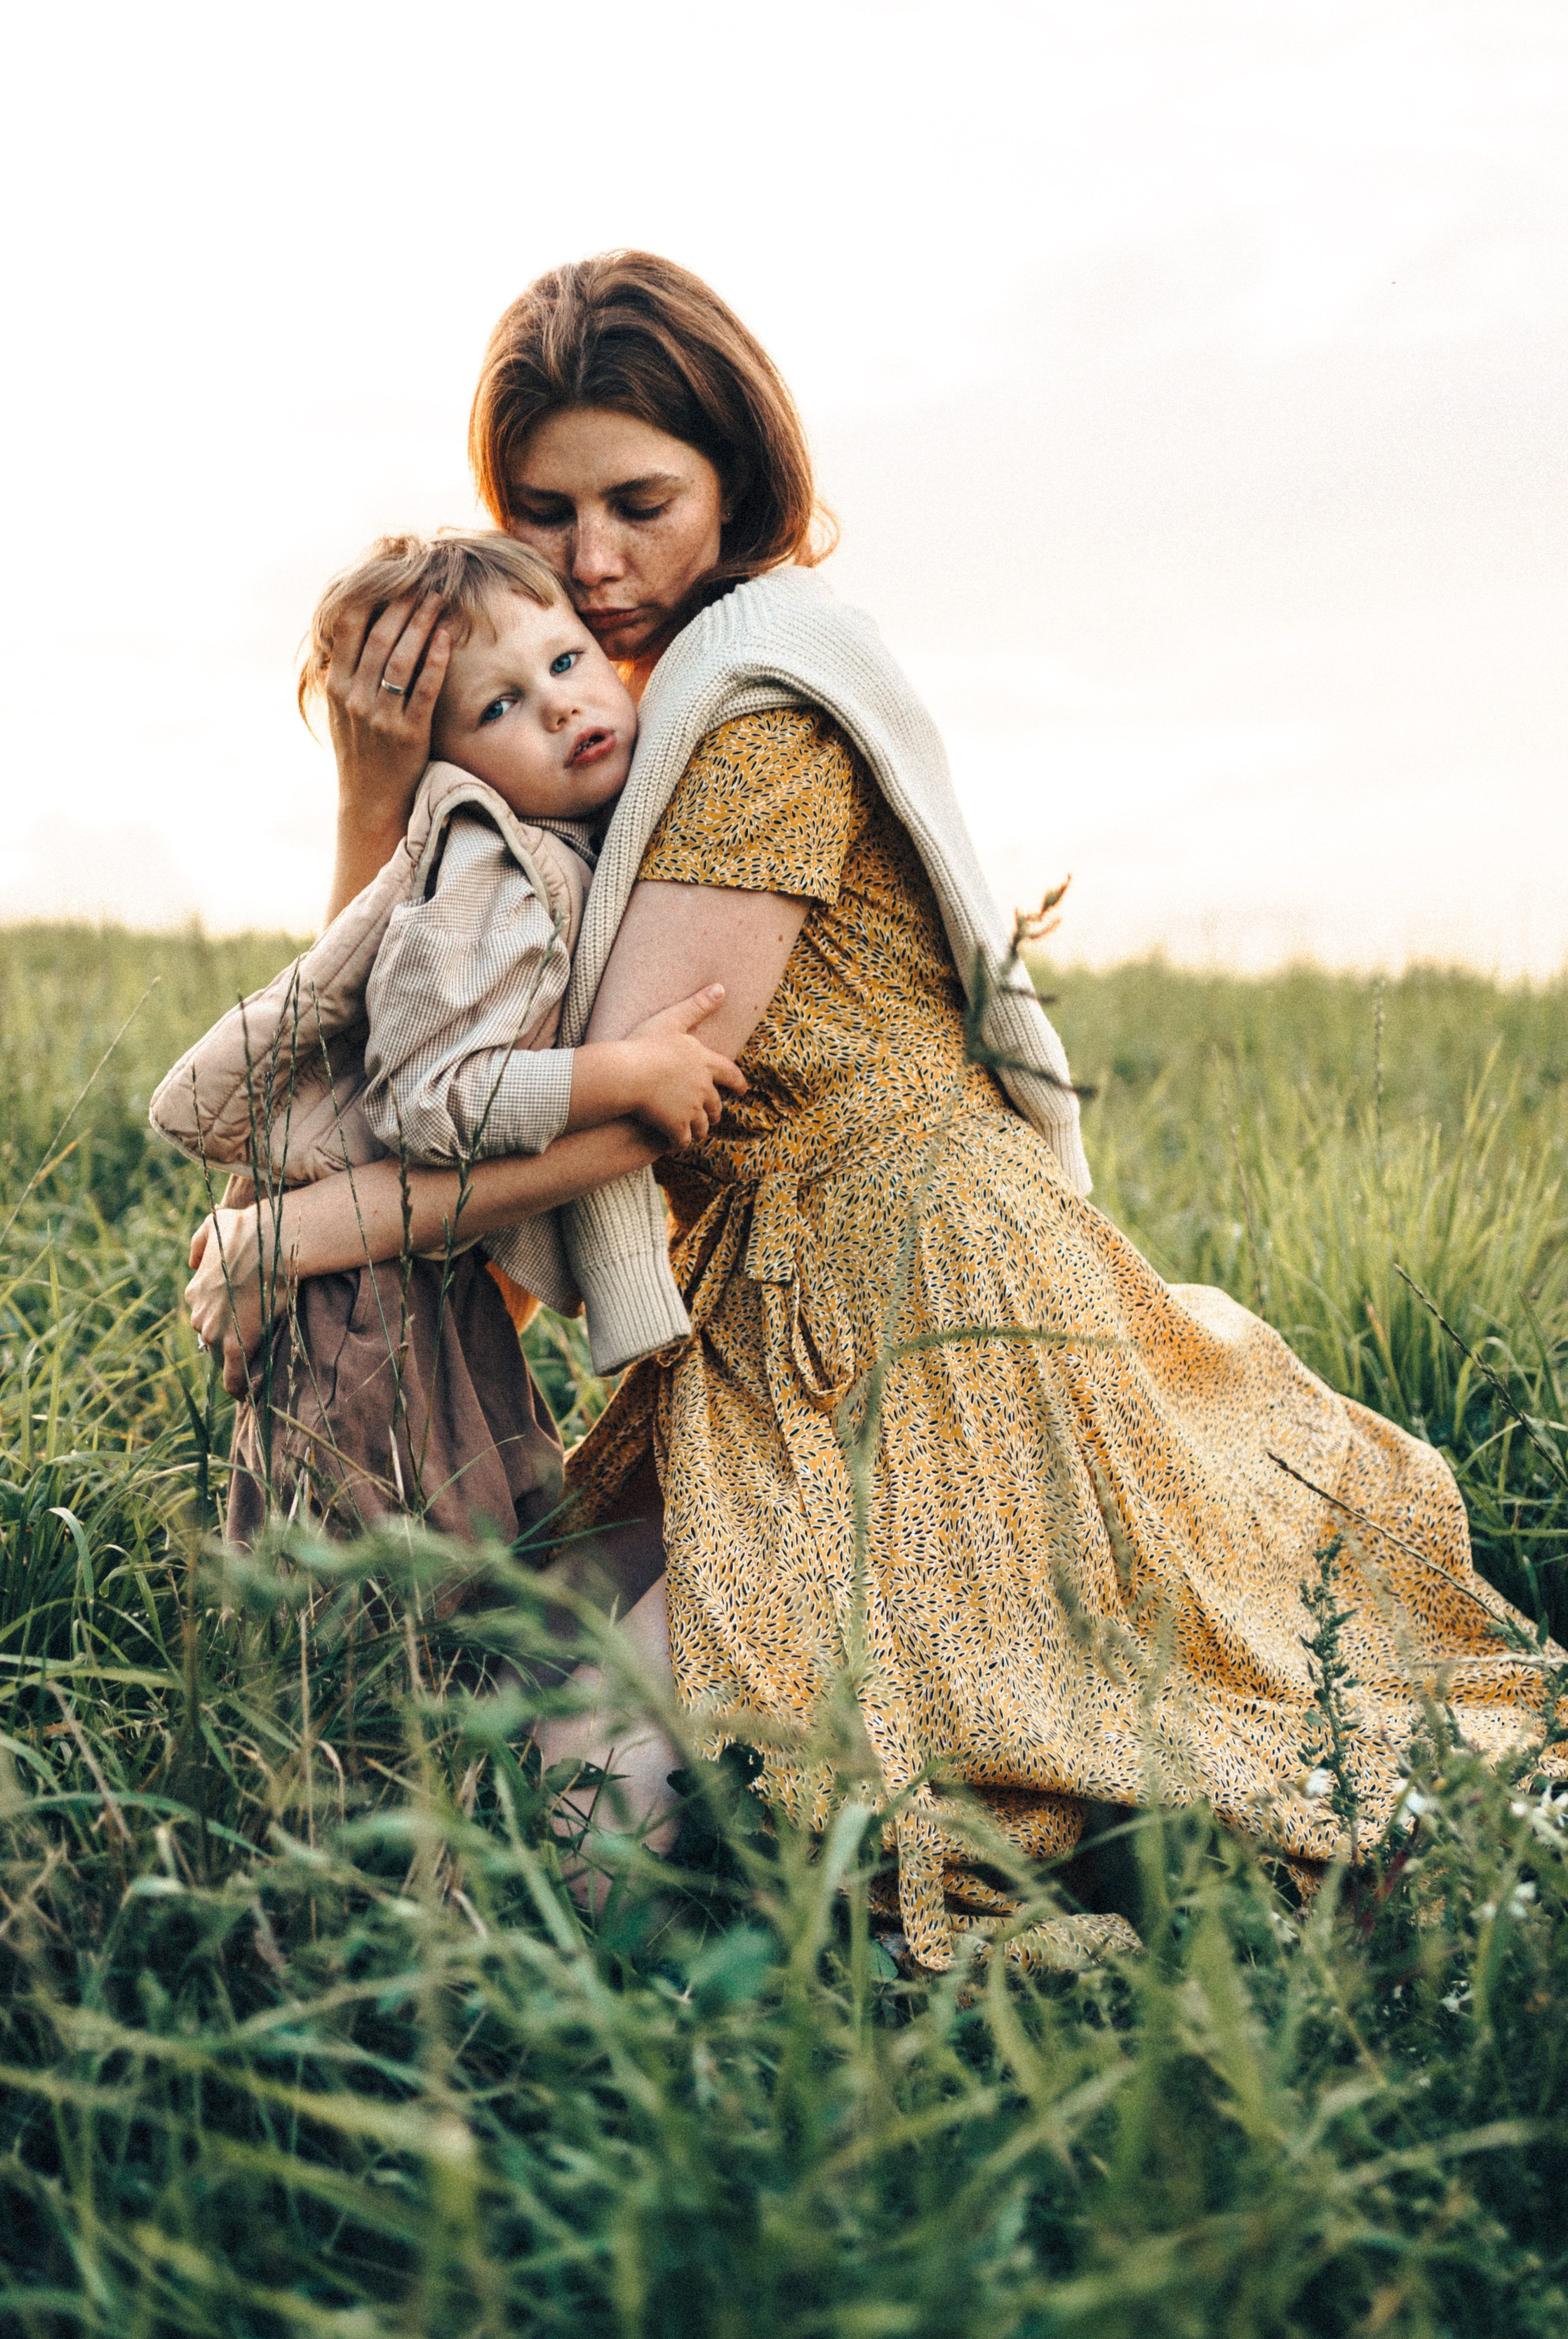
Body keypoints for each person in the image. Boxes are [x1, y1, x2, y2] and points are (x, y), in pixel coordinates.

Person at [188, 249, 1564, 1969]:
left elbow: (636, 1114)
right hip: (770, 1299)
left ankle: (683, 2028)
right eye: (542, 511)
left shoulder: (752, 713)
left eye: (640, 503)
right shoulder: (574, 723)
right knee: (506, 1692)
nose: (593, 560)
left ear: (738, 486)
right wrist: (380, 786)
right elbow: (406, 1054)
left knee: (581, 1787)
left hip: (919, 1296)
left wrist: (290, 1232)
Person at [159, 527, 742, 1550]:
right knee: (371, 1575)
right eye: (499, 706)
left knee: (485, 1544)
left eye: (566, 662)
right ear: (442, 760)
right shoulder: (487, 862)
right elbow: (434, 1103)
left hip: (426, 1271)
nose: (559, 703)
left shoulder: (559, 841)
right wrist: (624, 1074)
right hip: (368, 1295)